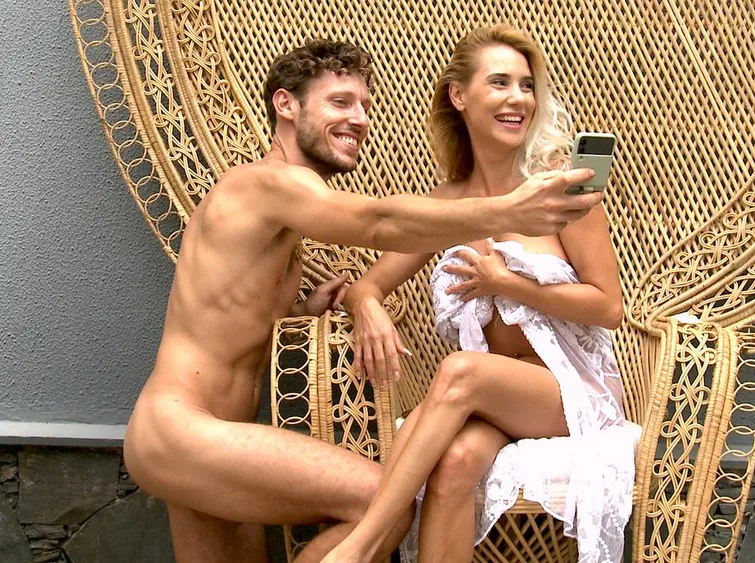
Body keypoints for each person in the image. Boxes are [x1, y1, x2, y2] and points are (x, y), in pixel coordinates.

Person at [120, 38, 603, 563]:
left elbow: (232, 319)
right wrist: (508, 211)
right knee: (385, 504)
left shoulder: (279, 227)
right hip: (183, 428)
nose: (360, 119)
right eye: (340, 102)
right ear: (286, 105)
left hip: (217, 437)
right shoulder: (268, 184)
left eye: (364, 106)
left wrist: (303, 312)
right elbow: (377, 221)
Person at [326, 25, 636, 563]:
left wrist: (507, 284)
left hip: (570, 390)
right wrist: (368, 307)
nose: (518, 98)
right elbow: (367, 286)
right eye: (499, 83)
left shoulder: (560, 191)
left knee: (460, 371)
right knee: (455, 463)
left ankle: (361, 544)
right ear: (459, 96)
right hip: (494, 399)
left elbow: (608, 307)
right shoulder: (448, 205)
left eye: (526, 85)